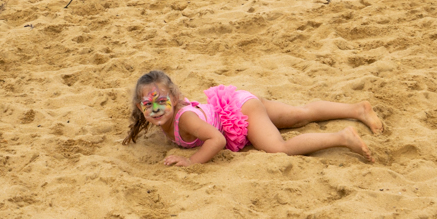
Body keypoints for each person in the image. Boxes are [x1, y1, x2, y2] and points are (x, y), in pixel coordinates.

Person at [122, 70, 382, 166]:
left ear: (175, 99)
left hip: (242, 112)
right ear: (139, 106)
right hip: (239, 101)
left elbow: (217, 139)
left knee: (279, 148)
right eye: (149, 104)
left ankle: (342, 137)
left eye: (162, 101)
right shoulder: (162, 119)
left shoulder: (185, 120)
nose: (156, 109)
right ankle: (357, 110)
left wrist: (192, 161)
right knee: (299, 115)